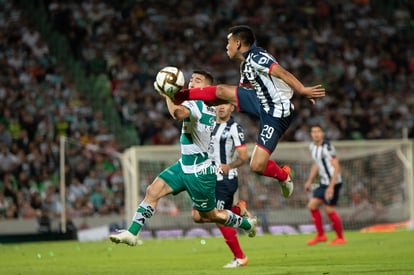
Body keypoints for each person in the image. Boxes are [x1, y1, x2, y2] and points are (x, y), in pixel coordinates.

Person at [169, 25, 326, 199]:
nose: (226, 46)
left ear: (237, 43)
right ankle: (179, 96)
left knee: (257, 166)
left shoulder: (257, 57)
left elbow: (281, 72)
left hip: (276, 113)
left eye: (228, 42)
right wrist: (214, 101)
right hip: (259, 100)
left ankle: (283, 175)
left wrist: (302, 90)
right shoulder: (245, 66)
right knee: (221, 91)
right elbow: (238, 92)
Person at [110, 70, 258, 246]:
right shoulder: (202, 105)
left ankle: (247, 223)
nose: (192, 83)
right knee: (153, 191)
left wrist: (167, 94)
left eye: (198, 80)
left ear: (208, 88)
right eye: (191, 80)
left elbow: (177, 114)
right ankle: (132, 233)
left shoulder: (199, 104)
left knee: (210, 216)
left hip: (199, 172)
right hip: (185, 164)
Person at [207, 102, 251, 268]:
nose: (221, 107)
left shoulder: (234, 128)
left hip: (225, 179)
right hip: (209, 178)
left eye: (225, 104)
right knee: (208, 213)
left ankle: (240, 258)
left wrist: (229, 166)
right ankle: (238, 211)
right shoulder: (209, 125)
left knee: (218, 217)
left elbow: (244, 156)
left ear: (232, 108)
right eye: (218, 104)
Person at [304, 124, 346, 245]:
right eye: (313, 132)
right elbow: (316, 164)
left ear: (322, 133)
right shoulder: (312, 147)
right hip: (323, 183)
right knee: (312, 206)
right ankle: (321, 235)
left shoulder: (327, 147)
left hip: (334, 182)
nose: (316, 134)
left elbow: (337, 167)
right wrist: (309, 180)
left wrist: (331, 187)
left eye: (318, 131)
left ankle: (340, 238)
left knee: (329, 210)